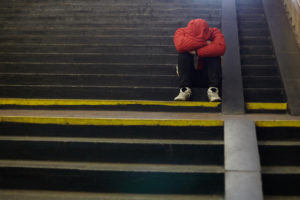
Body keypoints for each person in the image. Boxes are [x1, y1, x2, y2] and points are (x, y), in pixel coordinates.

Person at [173, 19, 226, 101]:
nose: (200, 37)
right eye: (196, 37)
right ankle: (184, 90)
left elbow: (221, 48)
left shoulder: (214, 32)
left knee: (214, 54)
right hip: (189, 76)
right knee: (183, 54)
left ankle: (213, 90)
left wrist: (196, 52)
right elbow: (180, 46)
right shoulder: (181, 31)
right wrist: (205, 43)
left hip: (208, 76)